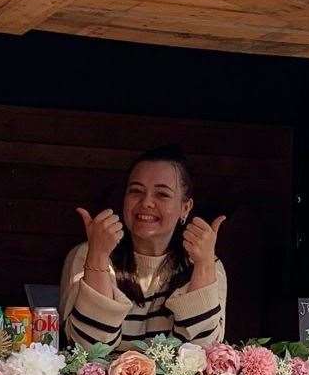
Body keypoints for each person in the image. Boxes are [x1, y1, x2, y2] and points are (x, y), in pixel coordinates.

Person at [60, 145, 226, 349]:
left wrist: (203, 265)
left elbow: (203, 350)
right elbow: (87, 346)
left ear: (185, 207)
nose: (146, 202)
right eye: (136, 191)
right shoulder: (86, 254)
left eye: (162, 194)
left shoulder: (209, 264)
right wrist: (98, 255)